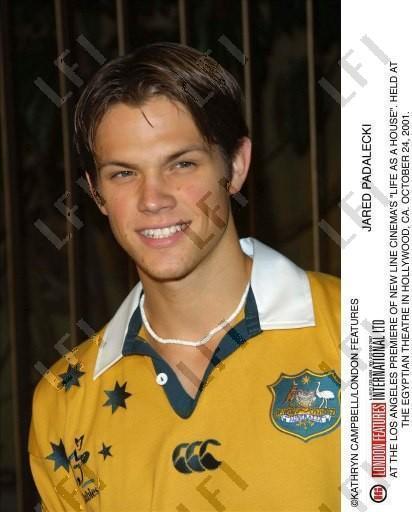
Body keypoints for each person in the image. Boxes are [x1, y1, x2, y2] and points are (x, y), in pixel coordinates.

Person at [28, 42, 341, 511]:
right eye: (123, 173)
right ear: (95, 192)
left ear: (236, 165)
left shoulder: (363, 333)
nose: (153, 199)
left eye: (182, 164)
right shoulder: (64, 399)